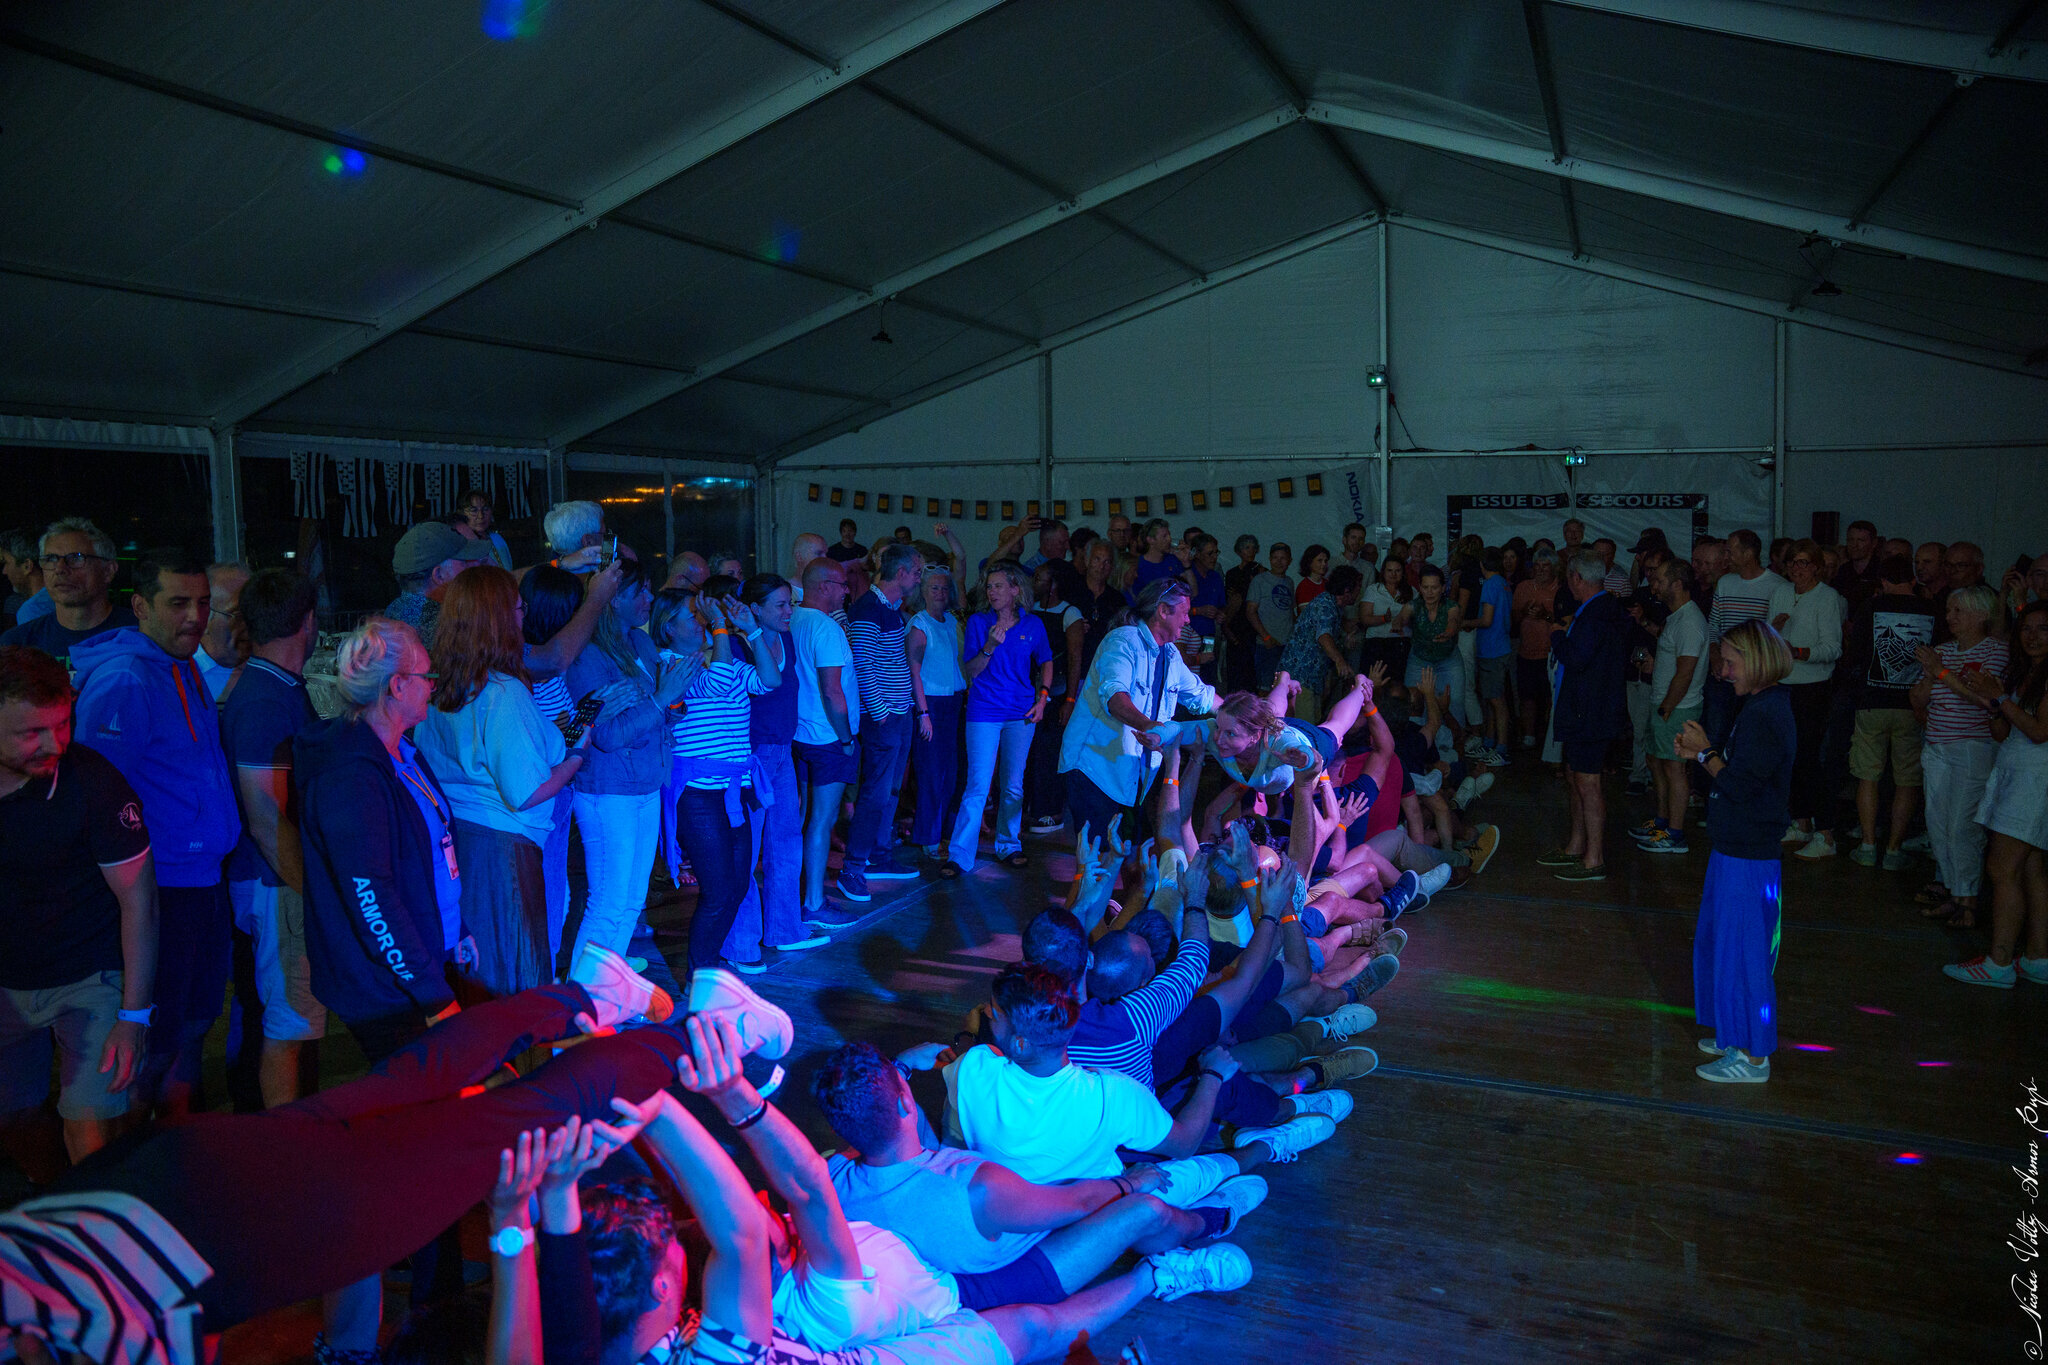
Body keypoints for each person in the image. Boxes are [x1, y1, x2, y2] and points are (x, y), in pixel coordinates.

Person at [0, 957, 681, 1365]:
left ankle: (698, 1036)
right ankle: (594, 993)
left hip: (226, 1225)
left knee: (500, 1129)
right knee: (407, 1081)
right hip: (165, 1174)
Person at [817, 1041, 1253, 1312]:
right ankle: (1215, 1218)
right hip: (1011, 1279)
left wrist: (900, 1069)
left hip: (944, 1277)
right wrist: (1132, 1182)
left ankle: (1231, 1169)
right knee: (1144, 1210)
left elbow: (914, 1158)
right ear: (904, 1104)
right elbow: (1079, 1203)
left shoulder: (829, 1178)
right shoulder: (975, 1184)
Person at [71, 550, 241, 1117]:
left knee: (193, 1023)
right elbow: (94, 796)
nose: (195, 616)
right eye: (178, 603)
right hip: (160, 886)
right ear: (141, 606)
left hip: (201, 881)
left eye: (204, 603)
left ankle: (177, 1143)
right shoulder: (126, 678)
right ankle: (147, 1149)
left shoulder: (181, 665)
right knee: (158, 1038)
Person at [0, 646, 155, 1164]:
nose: (55, 744)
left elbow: (139, 902)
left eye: (62, 724)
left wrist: (134, 1016)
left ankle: (100, 1207)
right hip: (8, 983)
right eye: (31, 732)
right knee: (16, 1125)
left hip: (90, 980)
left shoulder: (94, 784)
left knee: (90, 1134)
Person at [416, 567, 590, 996]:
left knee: (476, 968)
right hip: (502, 851)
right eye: (517, 608)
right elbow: (527, 792)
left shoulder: (438, 687)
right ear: (496, 620)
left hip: (458, 840)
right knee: (514, 973)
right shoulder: (502, 691)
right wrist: (576, 756)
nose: (522, 616)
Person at [218, 569, 326, 1108]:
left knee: (296, 1022)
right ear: (308, 622)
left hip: (278, 880)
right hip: (276, 883)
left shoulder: (275, 685)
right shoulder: (265, 699)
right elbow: (265, 818)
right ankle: (287, 1142)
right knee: (288, 1026)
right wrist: (314, 890)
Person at [1674, 620, 1796, 1083]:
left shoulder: (1767, 714)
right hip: (1735, 850)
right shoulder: (1760, 706)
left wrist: (1705, 754)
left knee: (1745, 956)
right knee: (1724, 947)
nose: (1724, 672)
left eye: (1730, 663)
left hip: (1749, 855)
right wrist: (1700, 754)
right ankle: (1734, 1033)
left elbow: (1742, 786)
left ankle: (1753, 1055)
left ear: (1757, 660)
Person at [650, 587, 781, 972]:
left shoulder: (721, 662)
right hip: (698, 794)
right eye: (693, 616)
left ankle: (705, 968)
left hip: (734, 791)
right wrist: (722, 625)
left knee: (737, 887)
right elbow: (719, 683)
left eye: (703, 616)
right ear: (668, 628)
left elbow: (770, 680)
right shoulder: (671, 666)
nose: (703, 622)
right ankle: (700, 974)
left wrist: (752, 631)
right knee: (719, 890)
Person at [562, 560, 674, 966]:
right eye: (639, 591)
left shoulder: (640, 642)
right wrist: (660, 701)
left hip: (646, 781)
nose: (650, 598)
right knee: (608, 901)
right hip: (608, 790)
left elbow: (658, 712)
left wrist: (670, 700)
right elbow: (606, 736)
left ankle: (607, 988)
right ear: (611, 600)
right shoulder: (588, 655)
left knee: (631, 901)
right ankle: (582, 995)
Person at [1058, 579, 1219, 846]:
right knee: (1097, 861)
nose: (1188, 620)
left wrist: (1244, 714)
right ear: (1163, 611)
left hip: (1132, 777)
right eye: (1184, 612)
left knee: (1129, 859)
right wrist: (1148, 725)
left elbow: (1203, 696)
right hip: (1095, 769)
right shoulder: (1123, 641)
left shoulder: (1171, 655)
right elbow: (1115, 697)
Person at [1942, 601, 2048, 987]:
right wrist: (1993, 703)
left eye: (2043, 629)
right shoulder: (2026, 673)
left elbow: (2040, 732)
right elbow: (2004, 732)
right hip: (2015, 772)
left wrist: (2000, 699)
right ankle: (2037, 957)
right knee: (2031, 870)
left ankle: (1999, 962)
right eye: (2027, 628)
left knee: (2002, 869)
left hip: (2034, 781)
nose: (2032, 636)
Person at [727, 572, 827, 969]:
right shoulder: (736, 645)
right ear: (754, 609)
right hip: (752, 755)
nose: (789, 611)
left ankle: (785, 929)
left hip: (782, 750)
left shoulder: (785, 638)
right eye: (781, 605)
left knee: (786, 840)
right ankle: (742, 944)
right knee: (746, 850)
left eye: (790, 603)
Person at [944, 563, 1053, 878]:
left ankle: (1009, 844)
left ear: (1015, 590)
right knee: (978, 784)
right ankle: (960, 855)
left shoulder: (1032, 624)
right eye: (989, 586)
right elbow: (972, 671)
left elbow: (1046, 660)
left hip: (1020, 713)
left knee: (1013, 784)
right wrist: (990, 646)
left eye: (998, 586)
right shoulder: (979, 622)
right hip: (984, 711)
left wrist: (1043, 698)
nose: (992, 592)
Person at [1910, 585, 2009, 926]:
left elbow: (1985, 700)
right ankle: (1954, 893)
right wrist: (1928, 677)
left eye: (1958, 611)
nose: (1949, 617)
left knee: (1961, 827)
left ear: (1981, 615)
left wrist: (1940, 672)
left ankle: (1968, 899)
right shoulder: (1942, 651)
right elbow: (1918, 701)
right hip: (1936, 746)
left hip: (1972, 747)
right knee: (1937, 824)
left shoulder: (1996, 651)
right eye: (1949, 610)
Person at [839, 542, 925, 901]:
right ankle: (853, 867)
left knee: (888, 790)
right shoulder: (869, 609)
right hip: (884, 717)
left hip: (897, 713)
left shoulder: (890, 609)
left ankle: (878, 854)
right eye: (917, 572)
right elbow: (862, 664)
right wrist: (881, 711)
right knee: (875, 792)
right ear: (900, 572)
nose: (919, 578)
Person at [1839, 555, 1936, 870]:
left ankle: (1868, 846)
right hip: (1914, 705)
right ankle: (1893, 851)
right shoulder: (1930, 610)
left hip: (1872, 701)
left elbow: (1855, 652)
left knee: (1867, 776)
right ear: (1912, 579)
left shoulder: (1871, 606)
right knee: (1907, 780)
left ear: (1882, 580)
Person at [1538, 553, 1628, 882]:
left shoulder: (1596, 614)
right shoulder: (1601, 609)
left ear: (1577, 578)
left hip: (1590, 713)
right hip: (1587, 710)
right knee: (1576, 777)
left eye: (1569, 578)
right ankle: (1577, 846)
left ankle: (1594, 858)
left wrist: (1557, 635)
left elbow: (1577, 658)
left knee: (1588, 783)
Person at [789, 558, 862, 930]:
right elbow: (833, 692)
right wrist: (846, 738)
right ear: (824, 586)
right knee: (821, 821)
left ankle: (800, 893)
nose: (847, 591)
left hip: (802, 734)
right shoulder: (826, 628)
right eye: (842, 584)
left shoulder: (793, 619)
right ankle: (814, 903)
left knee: (805, 818)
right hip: (829, 737)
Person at [1769, 540, 1848, 857]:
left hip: (1813, 687)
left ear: (1816, 567)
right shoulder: (1781, 592)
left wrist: (1799, 652)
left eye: (1803, 562)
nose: (1797, 568)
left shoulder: (1827, 598)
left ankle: (1825, 833)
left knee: (1811, 758)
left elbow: (1833, 648)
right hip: (1783, 683)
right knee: (1790, 756)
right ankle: (1801, 821)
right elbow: (1770, 637)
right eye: (1792, 562)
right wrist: (1773, 631)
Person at [1627, 560, 1707, 856]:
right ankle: (1662, 823)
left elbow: (1686, 672)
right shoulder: (1676, 617)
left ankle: (1675, 834)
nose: (1654, 585)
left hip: (1676, 708)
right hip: (1664, 705)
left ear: (1677, 584)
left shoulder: (1690, 621)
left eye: (1660, 580)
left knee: (1674, 768)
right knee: (1657, 763)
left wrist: (1667, 708)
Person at [0, 518, 127, 666]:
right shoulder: (18, 644)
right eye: (50, 559)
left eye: (76, 558)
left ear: (108, 571)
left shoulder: (138, 634)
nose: (59, 569)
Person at [1704, 530, 1786, 745]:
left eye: (1730, 552)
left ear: (1748, 554)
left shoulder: (1777, 586)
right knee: (1715, 736)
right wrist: (1715, 655)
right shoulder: (1725, 583)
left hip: (1754, 678)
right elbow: (1713, 625)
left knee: (1749, 737)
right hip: (1723, 676)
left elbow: (1774, 637)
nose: (1726, 558)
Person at [907, 564, 966, 859]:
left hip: (953, 701)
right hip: (931, 702)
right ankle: (928, 837)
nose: (941, 593)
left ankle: (944, 833)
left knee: (950, 773)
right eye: (934, 588)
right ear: (924, 591)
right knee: (931, 774)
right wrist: (923, 713)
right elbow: (914, 671)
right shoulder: (920, 625)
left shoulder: (951, 621)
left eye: (944, 588)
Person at [1027, 561, 1087, 835]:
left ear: (1053, 584)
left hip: (1057, 691)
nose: (1034, 581)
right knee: (1032, 753)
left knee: (1048, 753)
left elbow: (1075, 658)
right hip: (1030, 690)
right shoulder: (1030, 609)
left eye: (1040, 577)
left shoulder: (1069, 613)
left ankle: (1050, 811)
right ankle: (1031, 807)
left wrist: (1070, 700)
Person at [383, 520, 495, 650]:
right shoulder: (450, 629)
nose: (474, 565)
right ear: (439, 575)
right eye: (464, 562)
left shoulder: (393, 611)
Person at [1278, 566, 1364, 722]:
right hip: (1301, 676)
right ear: (1347, 591)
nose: (1360, 592)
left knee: (1314, 720)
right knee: (1306, 725)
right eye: (1358, 587)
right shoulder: (1325, 605)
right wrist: (1340, 661)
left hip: (1312, 678)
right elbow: (1324, 636)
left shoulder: (1334, 606)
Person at [1397, 564, 1461, 726]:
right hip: (1419, 660)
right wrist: (1398, 623)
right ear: (1420, 588)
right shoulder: (1413, 605)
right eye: (1425, 587)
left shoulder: (1451, 606)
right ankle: (1417, 737)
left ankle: (1452, 739)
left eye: (1434, 587)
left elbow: (1453, 620)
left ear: (1443, 588)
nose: (1430, 592)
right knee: (1413, 702)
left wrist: (1449, 632)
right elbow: (1402, 616)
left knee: (1454, 702)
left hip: (1448, 660)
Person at [1512, 548, 1559, 750]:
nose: (1540, 570)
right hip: (1526, 652)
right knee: (1527, 696)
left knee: (1549, 698)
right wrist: (1524, 611)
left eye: (1545, 566)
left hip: (1550, 654)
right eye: (1536, 565)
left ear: (1554, 568)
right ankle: (1529, 736)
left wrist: (1544, 615)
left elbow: (1566, 622)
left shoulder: (1560, 589)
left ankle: (1549, 738)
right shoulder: (1523, 587)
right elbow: (1513, 619)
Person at [1473, 547, 1515, 765]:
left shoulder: (1490, 584)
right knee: (1491, 698)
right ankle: (1489, 742)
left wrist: (1462, 623)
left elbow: (1486, 620)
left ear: (1482, 564)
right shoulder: (1504, 584)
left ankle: (1501, 747)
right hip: (1500, 645)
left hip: (1492, 648)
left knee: (1496, 700)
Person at [192, 562, 250, 700]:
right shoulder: (176, 675)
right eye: (239, 615)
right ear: (204, 616)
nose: (250, 624)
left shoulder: (270, 669)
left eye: (256, 612)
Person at [1246, 542, 1294, 689]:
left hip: (1286, 645)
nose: (1279, 562)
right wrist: (1266, 637)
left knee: (1284, 688)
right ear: (1269, 559)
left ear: (1290, 560)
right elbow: (1250, 611)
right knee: (1265, 689)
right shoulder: (1259, 580)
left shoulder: (1289, 582)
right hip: (1266, 645)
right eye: (1275, 558)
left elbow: (1290, 611)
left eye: (1283, 558)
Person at [1358, 552, 1411, 683]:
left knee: (1398, 685)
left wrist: (1404, 620)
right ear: (1383, 572)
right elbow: (1364, 618)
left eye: (1397, 570)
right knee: (1373, 685)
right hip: (1376, 644)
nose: (1393, 574)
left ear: (1403, 572)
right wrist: (1383, 619)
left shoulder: (1411, 591)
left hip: (1402, 643)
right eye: (1390, 570)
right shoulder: (1373, 589)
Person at [1220, 534, 1261, 692]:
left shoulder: (1260, 572)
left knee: (1251, 671)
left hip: (1253, 625)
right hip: (1236, 623)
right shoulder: (1232, 573)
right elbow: (1232, 598)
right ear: (1239, 551)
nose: (1250, 551)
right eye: (1246, 548)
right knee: (1235, 670)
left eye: (1253, 548)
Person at [0, 530, 48, 629]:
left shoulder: (32, 610)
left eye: (6, 563)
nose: (4, 571)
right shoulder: (63, 599)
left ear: (27, 566)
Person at [459, 490, 514, 571]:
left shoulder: (497, 539)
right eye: (474, 510)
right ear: (463, 513)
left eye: (485, 509)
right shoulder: (459, 545)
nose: (481, 516)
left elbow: (508, 571)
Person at [1831, 520, 1881, 607]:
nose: (1854, 545)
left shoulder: (1881, 570)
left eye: (1861, 540)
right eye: (1850, 540)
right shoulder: (1843, 571)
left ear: (1874, 543)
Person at [789, 531, 826, 601]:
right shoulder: (784, 593)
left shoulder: (827, 590)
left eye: (825, 554)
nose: (825, 558)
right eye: (819, 553)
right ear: (799, 557)